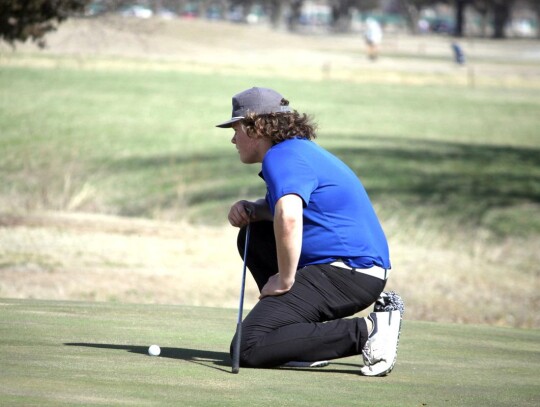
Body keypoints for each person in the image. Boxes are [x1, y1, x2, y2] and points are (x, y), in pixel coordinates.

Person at [216, 87, 402, 376]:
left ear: (256, 128)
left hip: (348, 273)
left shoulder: (281, 157)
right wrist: (252, 208)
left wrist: (285, 279)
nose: (232, 138)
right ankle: (294, 339)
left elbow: (289, 217)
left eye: (237, 127)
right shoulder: (297, 151)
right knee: (254, 234)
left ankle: (368, 332)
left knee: (247, 346)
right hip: (353, 271)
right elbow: (285, 210)